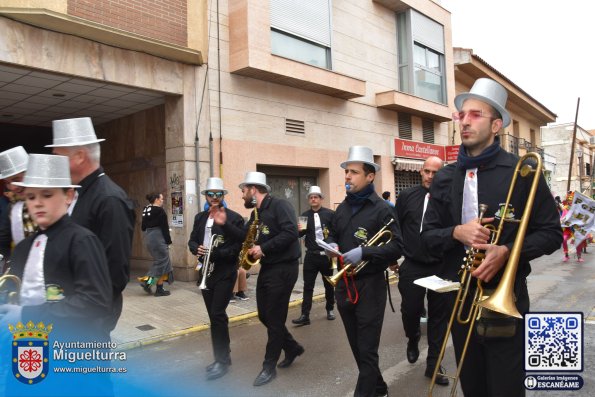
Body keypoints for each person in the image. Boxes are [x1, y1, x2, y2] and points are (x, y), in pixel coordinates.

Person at [421, 78, 562, 396]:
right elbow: (427, 238)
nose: (465, 121)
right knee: (473, 387)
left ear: (496, 124)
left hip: (506, 299)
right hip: (460, 301)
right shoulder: (444, 177)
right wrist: (457, 232)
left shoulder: (522, 172)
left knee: (507, 388)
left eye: (475, 114)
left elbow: (552, 233)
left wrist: (508, 251)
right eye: (462, 114)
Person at [210, 171, 303, 387]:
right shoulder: (255, 214)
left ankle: (268, 367)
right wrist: (224, 223)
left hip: (285, 268)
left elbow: (290, 233)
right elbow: (244, 237)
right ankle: (291, 347)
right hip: (268, 268)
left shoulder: (281, 206)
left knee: (275, 318)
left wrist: (264, 248)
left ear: (253, 189)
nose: (242, 195)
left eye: (243, 191)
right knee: (264, 315)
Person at [0, 154, 112, 334]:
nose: (37, 203)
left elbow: (95, 303)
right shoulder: (23, 248)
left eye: (47, 195)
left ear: (68, 195)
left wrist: (27, 314)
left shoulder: (82, 241)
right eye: (30, 197)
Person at [325, 146, 403, 397]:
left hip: (370, 286)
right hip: (344, 285)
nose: (347, 176)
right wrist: (332, 246)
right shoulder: (342, 209)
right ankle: (379, 388)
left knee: (368, 349)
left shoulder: (383, 209)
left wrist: (365, 252)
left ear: (370, 176)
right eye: (347, 172)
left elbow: (397, 247)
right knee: (358, 347)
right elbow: (334, 235)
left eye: (354, 172)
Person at [47, 117, 135, 334]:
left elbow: (115, 274)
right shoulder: (77, 193)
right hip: (71, 311)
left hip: (89, 318)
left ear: (79, 156)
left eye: (58, 156)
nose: (53, 162)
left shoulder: (109, 200)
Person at [393, 156, 449, 386]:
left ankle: (434, 365)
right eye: (426, 171)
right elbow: (395, 227)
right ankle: (413, 338)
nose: (430, 176)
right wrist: (392, 258)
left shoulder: (449, 199)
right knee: (410, 311)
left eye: (435, 172)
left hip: (441, 266)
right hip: (413, 265)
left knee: (439, 319)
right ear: (421, 172)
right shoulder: (406, 197)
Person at [188, 177, 244, 380]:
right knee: (214, 317)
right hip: (205, 272)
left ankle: (222, 361)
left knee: (218, 313)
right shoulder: (200, 217)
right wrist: (197, 248)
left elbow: (237, 247)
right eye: (210, 193)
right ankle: (222, 357)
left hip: (224, 272)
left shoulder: (235, 217)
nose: (214, 197)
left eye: (218, 194)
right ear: (205, 196)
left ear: (223, 196)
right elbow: (192, 240)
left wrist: (214, 252)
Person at [292, 185, 336, 325]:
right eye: (311, 197)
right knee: (308, 286)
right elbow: (300, 234)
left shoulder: (330, 214)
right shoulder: (304, 216)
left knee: (329, 284)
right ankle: (305, 315)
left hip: (326, 255)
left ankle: (330, 309)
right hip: (311, 256)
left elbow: (335, 232)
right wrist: (298, 230)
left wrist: (334, 245)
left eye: (316, 197)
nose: (313, 199)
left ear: (321, 199)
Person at [0, 146, 38, 261]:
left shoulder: (58, 200)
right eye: (8, 182)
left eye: (17, 179)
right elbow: (3, 242)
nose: (13, 187)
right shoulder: (12, 207)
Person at [138, 192, 174, 296]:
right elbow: (164, 228)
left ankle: (159, 288)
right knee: (161, 263)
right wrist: (168, 241)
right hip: (159, 239)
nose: (163, 201)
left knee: (163, 263)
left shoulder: (146, 210)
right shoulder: (160, 211)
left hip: (149, 238)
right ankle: (147, 282)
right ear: (157, 199)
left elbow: (143, 227)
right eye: (162, 199)